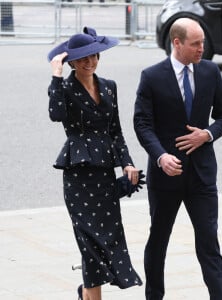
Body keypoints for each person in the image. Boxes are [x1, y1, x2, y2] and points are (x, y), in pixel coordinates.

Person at [134, 18, 222, 300]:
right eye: (196, 44)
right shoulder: (152, 76)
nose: (202, 48)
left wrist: (207, 134)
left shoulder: (210, 71)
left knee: (209, 243)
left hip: (202, 175)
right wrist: (161, 156)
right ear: (176, 43)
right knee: (158, 242)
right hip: (166, 176)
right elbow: (142, 124)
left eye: (203, 42)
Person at [47, 27, 143, 300]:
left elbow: (116, 131)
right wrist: (56, 76)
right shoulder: (64, 87)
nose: (90, 63)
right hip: (78, 176)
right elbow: (56, 115)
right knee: (89, 245)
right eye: (83, 59)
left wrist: (127, 164)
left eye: (94, 57)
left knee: (107, 242)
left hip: (104, 176)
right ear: (72, 62)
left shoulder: (109, 86)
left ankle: (85, 295)